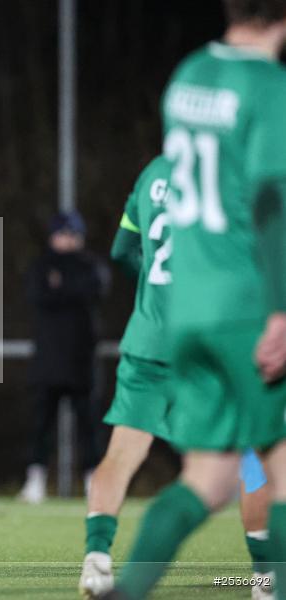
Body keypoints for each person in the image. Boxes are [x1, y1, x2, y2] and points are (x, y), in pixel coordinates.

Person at [102, 2, 286, 598]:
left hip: (186, 313)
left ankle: (128, 591)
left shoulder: (188, 76)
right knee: (278, 471)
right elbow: (268, 201)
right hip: (245, 308)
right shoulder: (267, 86)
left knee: (207, 479)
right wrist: (280, 309)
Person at [78, 156, 273, 598]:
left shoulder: (153, 174)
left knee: (122, 454)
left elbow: (122, 251)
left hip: (150, 339)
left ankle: (96, 560)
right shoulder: (230, 172)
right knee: (253, 462)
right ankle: (266, 578)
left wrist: (158, 293)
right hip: (214, 343)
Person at [18, 211, 107, 504]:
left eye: (73, 234)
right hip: (48, 360)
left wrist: (62, 287)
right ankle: (35, 481)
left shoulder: (91, 265)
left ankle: (93, 480)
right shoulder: (41, 266)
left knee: (89, 425)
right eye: (62, 234)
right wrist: (71, 290)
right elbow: (37, 295)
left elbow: (95, 290)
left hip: (82, 360)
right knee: (40, 425)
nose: (67, 240)